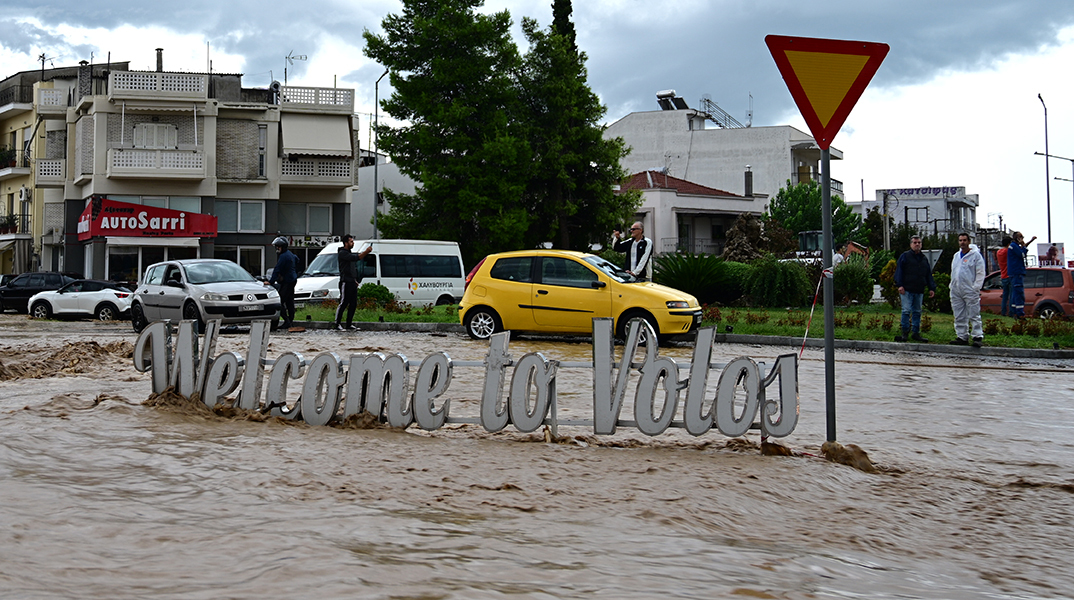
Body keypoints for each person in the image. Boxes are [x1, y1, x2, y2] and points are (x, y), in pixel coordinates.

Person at [892, 235, 936, 342]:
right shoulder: (905, 256)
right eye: (915, 242)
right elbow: (899, 271)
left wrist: (931, 287)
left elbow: (928, 274)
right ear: (911, 244)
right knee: (906, 311)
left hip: (919, 289)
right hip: (907, 289)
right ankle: (905, 333)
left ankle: (916, 333)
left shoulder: (923, 259)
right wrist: (900, 285)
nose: (917, 244)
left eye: (919, 243)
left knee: (917, 312)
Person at [949, 233, 986, 347]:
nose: (962, 242)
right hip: (956, 289)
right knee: (959, 314)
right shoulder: (956, 256)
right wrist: (952, 285)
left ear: (969, 241)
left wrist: (976, 287)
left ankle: (977, 336)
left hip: (970, 289)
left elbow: (980, 272)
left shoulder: (975, 256)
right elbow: (954, 271)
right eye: (960, 240)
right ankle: (962, 336)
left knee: (973, 313)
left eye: (964, 240)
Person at [335, 235, 372, 331]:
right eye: (351, 241)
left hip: (351, 281)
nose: (353, 243)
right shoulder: (343, 253)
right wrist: (366, 252)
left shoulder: (348, 252)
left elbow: (351, 268)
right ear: (346, 243)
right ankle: (337, 323)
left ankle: (349, 324)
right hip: (345, 282)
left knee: (353, 303)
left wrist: (354, 279)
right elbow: (357, 257)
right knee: (343, 302)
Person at [269, 236, 299, 329]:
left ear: (283, 247)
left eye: (278, 247)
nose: (277, 249)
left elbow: (277, 269)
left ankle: (287, 321)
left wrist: (271, 282)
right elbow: (297, 260)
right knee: (290, 302)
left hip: (287, 281)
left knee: (280, 302)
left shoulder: (283, 256)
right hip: (292, 280)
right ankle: (291, 320)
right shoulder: (290, 254)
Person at [1007, 231, 1036, 318]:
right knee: (1019, 293)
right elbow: (1022, 254)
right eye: (1021, 237)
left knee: (1015, 293)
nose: (1023, 239)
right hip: (1017, 272)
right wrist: (1024, 246)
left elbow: (1022, 248)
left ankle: (1013, 312)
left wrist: (1031, 241)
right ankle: (1019, 313)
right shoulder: (1014, 246)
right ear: (1018, 238)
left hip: (1014, 272)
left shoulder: (1013, 246)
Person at [996, 235, 1011, 317]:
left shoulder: (999, 252)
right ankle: (1011, 312)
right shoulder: (1008, 251)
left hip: (1003, 275)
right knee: (1012, 295)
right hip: (1009, 275)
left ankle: (1003, 311)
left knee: (1005, 295)